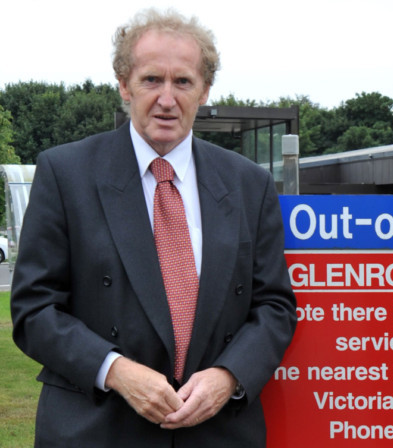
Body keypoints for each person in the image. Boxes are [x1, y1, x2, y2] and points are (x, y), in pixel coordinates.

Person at [11, 9, 297, 447]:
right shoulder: (65, 173)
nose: (167, 98)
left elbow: (274, 305)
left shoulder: (248, 184)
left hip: (217, 432)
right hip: (97, 429)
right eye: (151, 80)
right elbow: (34, 309)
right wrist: (115, 370)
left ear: (204, 91)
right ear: (124, 84)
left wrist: (229, 375)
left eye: (183, 81)